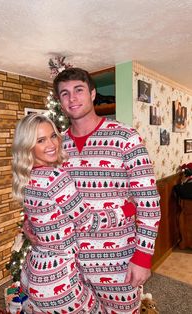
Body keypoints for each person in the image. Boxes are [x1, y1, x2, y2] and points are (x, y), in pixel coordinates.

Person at [51, 67, 161, 314]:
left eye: (79, 90)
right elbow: (50, 194)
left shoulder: (125, 137)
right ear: (60, 102)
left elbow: (149, 201)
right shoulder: (57, 146)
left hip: (118, 261)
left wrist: (142, 257)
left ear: (92, 93)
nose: (72, 98)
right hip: (70, 264)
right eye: (65, 93)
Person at [12, 113, 132, 313]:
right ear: (28, 146)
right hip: (59, 279)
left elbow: (39, 218)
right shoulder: (56, 178)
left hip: (34, 273)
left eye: (53, 136)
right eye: (40, 140)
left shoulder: (27, 177)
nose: (52, 144)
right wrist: (126, 210)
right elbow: (88, 222)